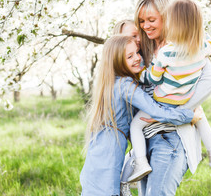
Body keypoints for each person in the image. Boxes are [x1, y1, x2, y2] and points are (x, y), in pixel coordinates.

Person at [79, 35, 200, 195]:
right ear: (117, 61)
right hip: (107, 157)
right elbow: (155, 110)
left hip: (97, 157)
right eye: (130, 56)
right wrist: (187, 116)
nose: (137, 58)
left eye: (137, 52)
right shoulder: (125, 85)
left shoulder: (110, 84)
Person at [127, 0, 211, 195]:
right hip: (148, 136)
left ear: (168, 16)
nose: (146, 26)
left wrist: (174, 115)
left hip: (172, 137)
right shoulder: (145, 49)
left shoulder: (187, 47)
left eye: (151, 19)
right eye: (142, 21)